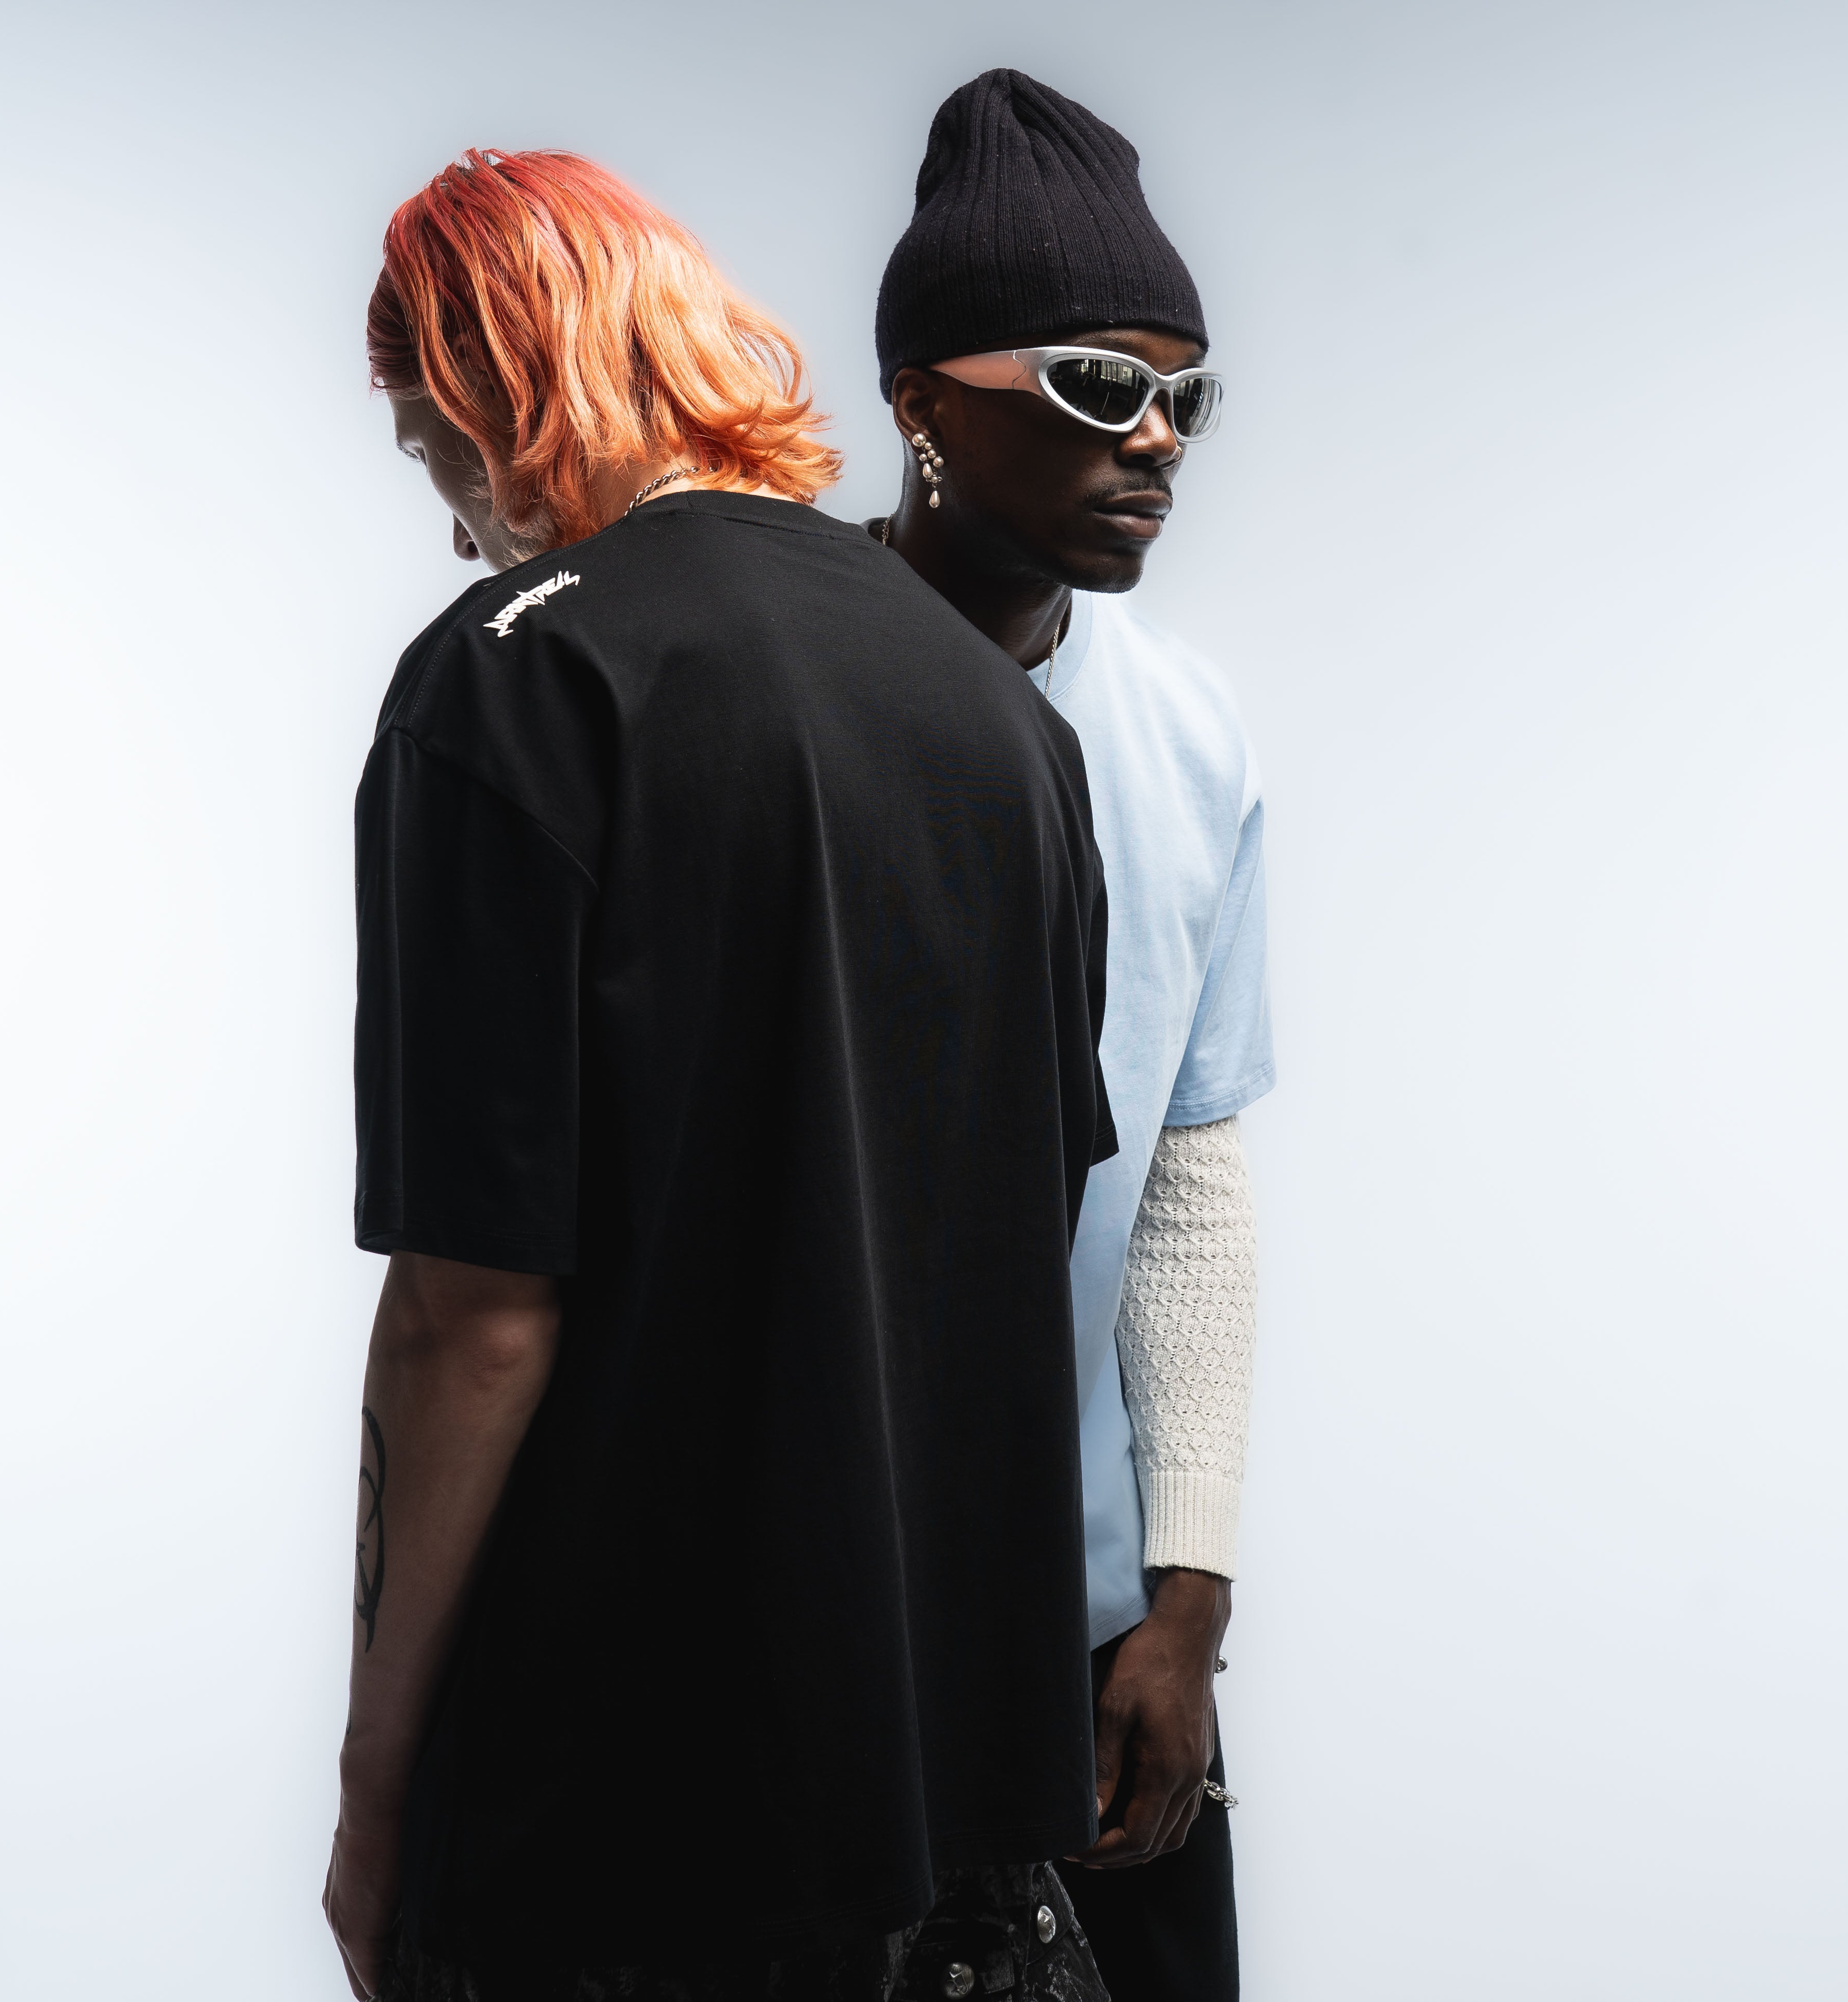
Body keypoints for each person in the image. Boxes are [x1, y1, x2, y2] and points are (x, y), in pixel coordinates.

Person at [323, 148, 1122, 2002]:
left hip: (629, 1822)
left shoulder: (516, 680)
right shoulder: (1003, 718)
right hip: (957, 1816)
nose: (457, 530)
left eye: (433, 452)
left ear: (490, 388)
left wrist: (375, 1791)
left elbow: (472, 1316)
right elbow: (1034, 1217)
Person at [870, 72, 1276, 2002]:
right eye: (1102, 386)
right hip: (806, 1615)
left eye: (1186, 395)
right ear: (924, 404)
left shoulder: (1191, 735)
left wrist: (1184, 1604)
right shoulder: (768, 694)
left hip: (1093, 1620)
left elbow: (1189, 1179)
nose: (1159, 440)